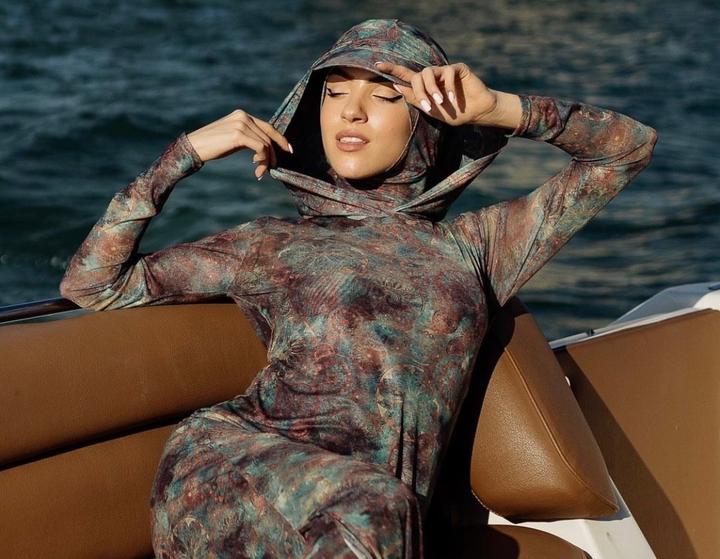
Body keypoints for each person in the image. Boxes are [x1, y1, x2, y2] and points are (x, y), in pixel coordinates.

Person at [59, 18, 657, 559]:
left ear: (426, 118)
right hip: (231, 469)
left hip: (370, 521)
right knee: (374, 507)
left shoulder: (477, 246)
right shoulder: (268, 243)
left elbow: (626, 150)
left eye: (386, 94)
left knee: (378, 511)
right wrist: (184, 155)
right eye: (335, 92)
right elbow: (93, 284)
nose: (352, 111)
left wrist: (498, 108)